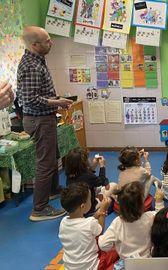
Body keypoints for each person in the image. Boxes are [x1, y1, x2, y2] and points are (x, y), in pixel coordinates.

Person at [17, 26, 73, 221]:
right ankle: (39, 209)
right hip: (39, 120)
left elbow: (38, 95)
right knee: (46, 164)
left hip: (45, 118)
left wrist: (56, 101)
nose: (52, 43)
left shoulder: (37, 60)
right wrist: (57, 102)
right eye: (47, 41)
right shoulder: (31, 66)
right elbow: (30, 99)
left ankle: (53, 190)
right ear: (34, 45)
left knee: (52, 157)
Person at [59, 182, 117, 270]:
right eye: (90, 199)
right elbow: (100, 231)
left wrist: (96, 214)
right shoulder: (90, 223)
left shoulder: (63, 222)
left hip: (70, 267)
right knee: (116, 249)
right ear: (82, 206)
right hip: (92, 266)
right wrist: (103, 210)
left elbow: (83, 224)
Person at [99, 182, 156, 260]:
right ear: (142, 203)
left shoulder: (117, 222)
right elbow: (163, 218)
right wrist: (159, 202)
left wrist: (116, 245)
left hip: (126, 263)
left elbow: (103, 245)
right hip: (147, 262)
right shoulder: (150, 216)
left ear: (120, 205)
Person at [64, 147, 116, 216]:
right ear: (84, 163)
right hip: (88, 208)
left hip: (76, 205)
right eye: (87, 158)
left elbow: (89, 178)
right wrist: (102, 166)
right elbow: (102, 180)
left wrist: (93, 165)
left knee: (98, 187)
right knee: (114, 185)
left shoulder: (70, 174)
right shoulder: (87, 176)